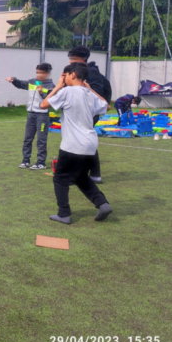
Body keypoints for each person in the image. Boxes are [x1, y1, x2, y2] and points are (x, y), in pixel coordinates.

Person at [40, 63, 113, 224]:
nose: (63, 79)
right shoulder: (90, 94)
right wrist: (91, 89)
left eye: (64, 76)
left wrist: (58, 86)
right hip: (90, 145)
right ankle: (102, 203)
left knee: (60, 178)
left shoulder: (66, 91)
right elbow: (107, 105)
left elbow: (43, 105)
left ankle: (64, 213)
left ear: (72, 75)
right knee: (81, 177)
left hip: (73, 145)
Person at [67, 46, 112, 183]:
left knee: (83, 142)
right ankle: (92, 174)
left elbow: (97, 95)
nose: (71, 62)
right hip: (81, 111)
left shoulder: (91, 73)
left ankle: (88, 174)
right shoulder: (78, 71)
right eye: (70, 59)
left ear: (84, 59)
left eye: (74, 59)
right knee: (82, 141)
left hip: (89, 112)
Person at [6, 62, 55, 170]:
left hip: (42, 116)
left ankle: (41, 162)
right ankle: (26, 160)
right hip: (31, 115)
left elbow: (50, 101)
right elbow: (21, 84)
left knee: (41, 140)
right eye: (37, 72)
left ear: (47, 73)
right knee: (27, 139)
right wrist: (13, 79)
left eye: (41, 73)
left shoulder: (51, 87)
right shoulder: (33, 82)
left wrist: (42, 93)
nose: (39, 75)